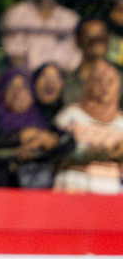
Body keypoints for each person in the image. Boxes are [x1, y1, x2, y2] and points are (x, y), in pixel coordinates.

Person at [0, 70, 62, 189]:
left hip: (38, 191)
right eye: (11, 86)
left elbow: (65, 141)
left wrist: (40, 140)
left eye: (23, 86)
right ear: (2, 91)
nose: (18, 92)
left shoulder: (44, 117)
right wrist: (19, 137)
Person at [52, 61, 123, 193]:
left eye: (110, 81)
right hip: (73, 189)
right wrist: (98, 153)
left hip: (113, 194)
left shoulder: (121, 122)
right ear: (89, 84)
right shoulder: (70, 115)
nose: (104, 86)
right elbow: (56, 154)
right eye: (99, 80)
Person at [0, 0, 81, 73]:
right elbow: (14, 53)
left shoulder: (71, 18)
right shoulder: (16, 13)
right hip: (27, 79)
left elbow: (75, 58)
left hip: (63, 80)